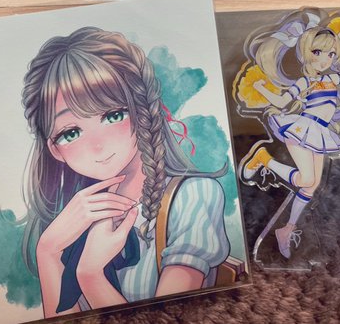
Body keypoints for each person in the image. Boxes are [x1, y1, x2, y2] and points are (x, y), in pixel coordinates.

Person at [21, 26, 230, 317]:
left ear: (143, 112)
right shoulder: (77, 215)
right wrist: (47, 252)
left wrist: (91, 275)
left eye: (113, 115)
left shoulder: (193, 195)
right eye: (71, 133)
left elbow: (167, 318)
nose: (97, 145)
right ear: (55, 149)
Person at [236, 11, 340, 259]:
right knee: (305, 178)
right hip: (302, 129)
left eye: (331, 54)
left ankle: (287, 229)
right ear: (307, 52)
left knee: (312, 185)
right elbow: (282, 101)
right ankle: (263, 159)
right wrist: (260, 88)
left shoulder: (332, 78)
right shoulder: (305, 82)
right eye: (318, 52)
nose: (325, 59)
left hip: (320, 133)